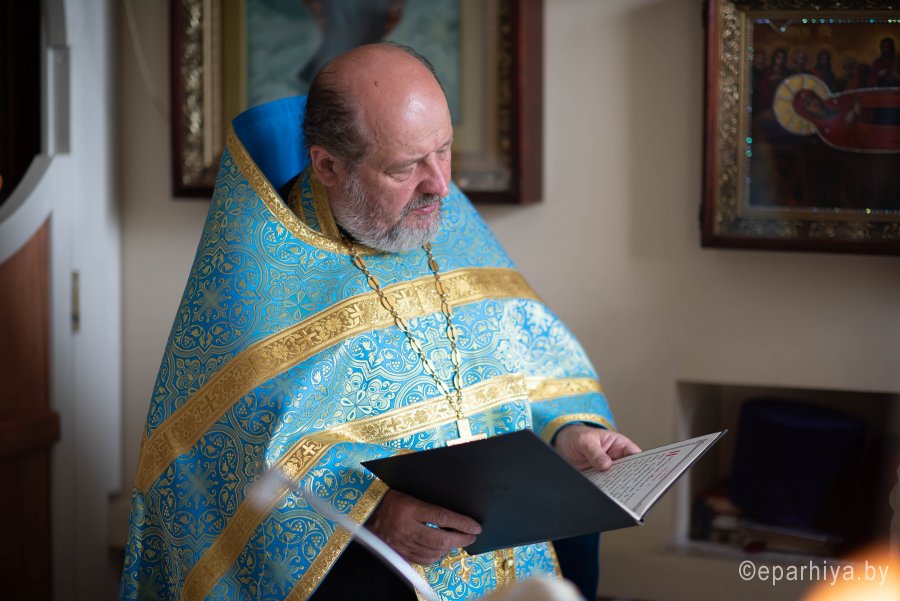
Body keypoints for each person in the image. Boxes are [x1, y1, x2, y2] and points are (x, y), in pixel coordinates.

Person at [120, 42, 638, 600]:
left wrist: (568, 433)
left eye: (444, 150)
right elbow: (216, 483)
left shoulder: (446, 220)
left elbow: (535, 361)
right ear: (328, 165)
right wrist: (368, 520)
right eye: (405, 167)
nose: (440, 185)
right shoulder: (257, 285)